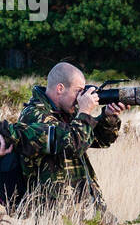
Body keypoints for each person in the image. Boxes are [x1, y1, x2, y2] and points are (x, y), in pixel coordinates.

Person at [9, 61, 127, 211]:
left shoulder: (68, 112)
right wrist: (84, 112)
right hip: (55, 209)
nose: (80, 97)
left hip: (85, 202)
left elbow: (97, 140)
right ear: (60, 88)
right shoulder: (34, 115)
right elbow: (71, 145)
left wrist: (109, 116)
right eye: (78, 91)